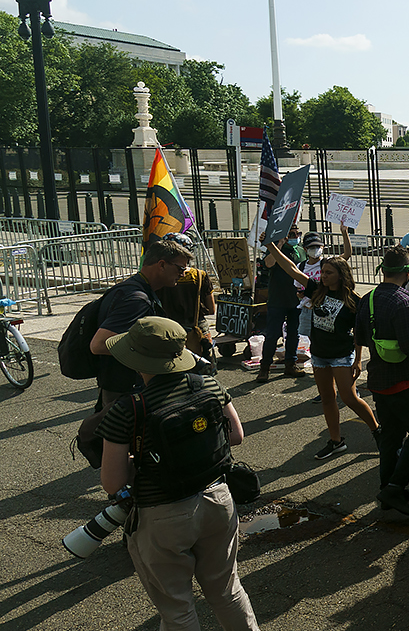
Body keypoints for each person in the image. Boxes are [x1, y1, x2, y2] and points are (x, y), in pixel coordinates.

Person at [97, 316, 260, 631]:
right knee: (227, 591)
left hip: (163, 514)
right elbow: (236, 435)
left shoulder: (129, 409)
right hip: (217, 499)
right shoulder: (208, 384)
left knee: (177, 609)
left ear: (136, 358)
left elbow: (112, 482)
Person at [78, 238, 193, 463]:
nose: (183, 274)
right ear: (161, 264)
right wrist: (149, 353)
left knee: (126, 445)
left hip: (119, 381)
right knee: (127, 449)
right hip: (124, 385)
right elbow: (98, 344)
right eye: (180, 268)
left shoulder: (134, 288)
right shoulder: (136, 299)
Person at [265, 242, 379, 460]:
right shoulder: (316, 290)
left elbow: (359, 334)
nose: (323, 276)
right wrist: (271, 246)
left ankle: (377, 430)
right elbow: (292, 269)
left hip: (342, 355)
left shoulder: (354, 301)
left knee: (349, 398)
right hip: (319, 355)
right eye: (322, 272)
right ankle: (336, 441)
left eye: (328, 273)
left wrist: (358, 360)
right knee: (327, 398)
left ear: (341, 275)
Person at [354, 245, 409, 516]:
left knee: (391, 436)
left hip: (378, 379)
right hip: (406, 379)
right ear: (408, 272)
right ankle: (395, 486)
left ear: (383, 270)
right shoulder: (403, 301)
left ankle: (388, 487)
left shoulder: (368, 298)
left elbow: (361, 337)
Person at [256, 228, 310, 383]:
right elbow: (268, 263)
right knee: (272, 335)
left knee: (294, 334)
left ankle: (290, 364)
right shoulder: (276, 249)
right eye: (292, 234)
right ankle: (265, 367)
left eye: (298, 234)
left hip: (296, 300)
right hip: (277, 300)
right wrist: (279, 244)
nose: (295, 237)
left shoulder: (301, 251)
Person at [153, 233, 216, 360]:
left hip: (169, 331)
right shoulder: (199, 275)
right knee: (205, 366)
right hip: (198, 331)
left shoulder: (160, 278)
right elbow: (211, 309)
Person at [294, 225, 352, 352]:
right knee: (310, 336)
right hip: (308, 308)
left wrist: (344, 233)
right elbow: (298, 288)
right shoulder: (301, 266)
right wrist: (302, 295)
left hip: (325, 307)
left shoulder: (328, 262)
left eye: (318, 247)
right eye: (311, 247)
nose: (315, 250)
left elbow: (347, 254)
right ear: (305, 249)